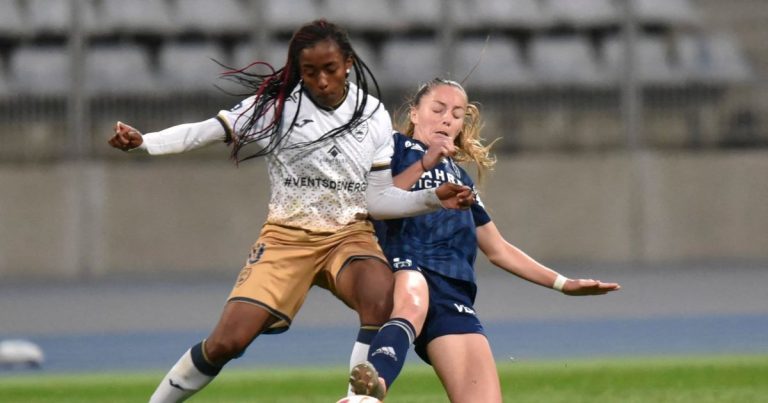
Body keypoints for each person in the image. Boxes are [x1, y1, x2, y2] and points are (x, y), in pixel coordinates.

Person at [107, 21, 474, 403]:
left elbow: (378, 201)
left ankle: (359, 399)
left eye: (329, 69)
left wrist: (433, 197)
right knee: (226, 342)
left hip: (349, 235)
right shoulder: (276, 108)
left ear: (347, 63)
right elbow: (206, 131)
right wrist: (145, 142)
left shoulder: (372, 115)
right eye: (310, 71)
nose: (321, 80)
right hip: (287, 238)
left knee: (382, 297)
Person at [349, 78, 622, 402]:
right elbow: (377, 201)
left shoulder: (461, 179)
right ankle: (372, 387)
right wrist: (425, 162)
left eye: (457, 113)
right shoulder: (394, 147)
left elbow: (498, 249)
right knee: (412, 298)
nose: (447, 118)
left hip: (454, 293)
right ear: (415, 113)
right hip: (407, 265)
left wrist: (564, 284)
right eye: (437, 109)